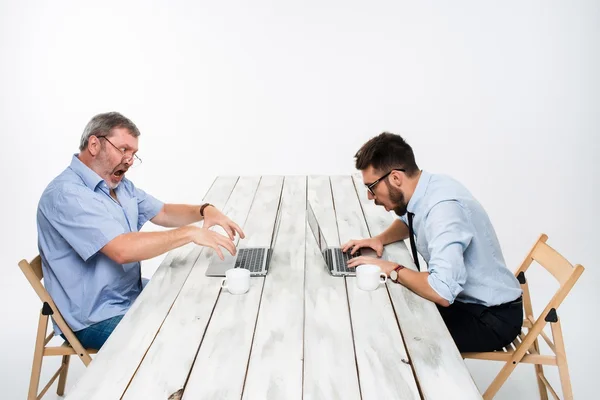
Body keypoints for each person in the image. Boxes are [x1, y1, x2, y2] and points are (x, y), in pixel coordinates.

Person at [37, 112, 244, 349]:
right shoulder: (67, 195)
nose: (129, 160)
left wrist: (205, 210)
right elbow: (122, 250)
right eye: (123, 149)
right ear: (94, 144)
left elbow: (163, 212)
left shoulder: (118, 185)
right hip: (94, 317)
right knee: (182, 337)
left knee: (201, 302)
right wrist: (189, 233)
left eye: (133, 154)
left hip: (129, 294)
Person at [343, 132, 523, 352]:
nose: (370, 197)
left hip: (490, 318)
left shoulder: (443, 209)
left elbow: (442, 291)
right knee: (388, 308)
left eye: (371, 188)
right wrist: (378, 240)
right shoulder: (428, 188)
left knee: (392, 336)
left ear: (396, 178)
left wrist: (391, 269)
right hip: (469, 302)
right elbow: (410, 219)